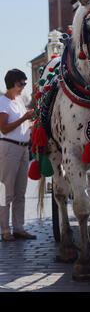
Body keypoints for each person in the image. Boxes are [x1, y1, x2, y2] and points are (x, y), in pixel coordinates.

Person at [0, 69, 36, 241]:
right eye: (20, 83)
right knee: (6, 192)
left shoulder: (19, 101)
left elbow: (23, 126)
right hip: (9, 148)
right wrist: (24, 119)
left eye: (24, 84)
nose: (23, 87)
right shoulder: (3, 102)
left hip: (23, 149)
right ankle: (5, 230)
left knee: (20, 192)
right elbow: (4, 128)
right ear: (12, 83)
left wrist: (32, 122)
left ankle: (19, 227)